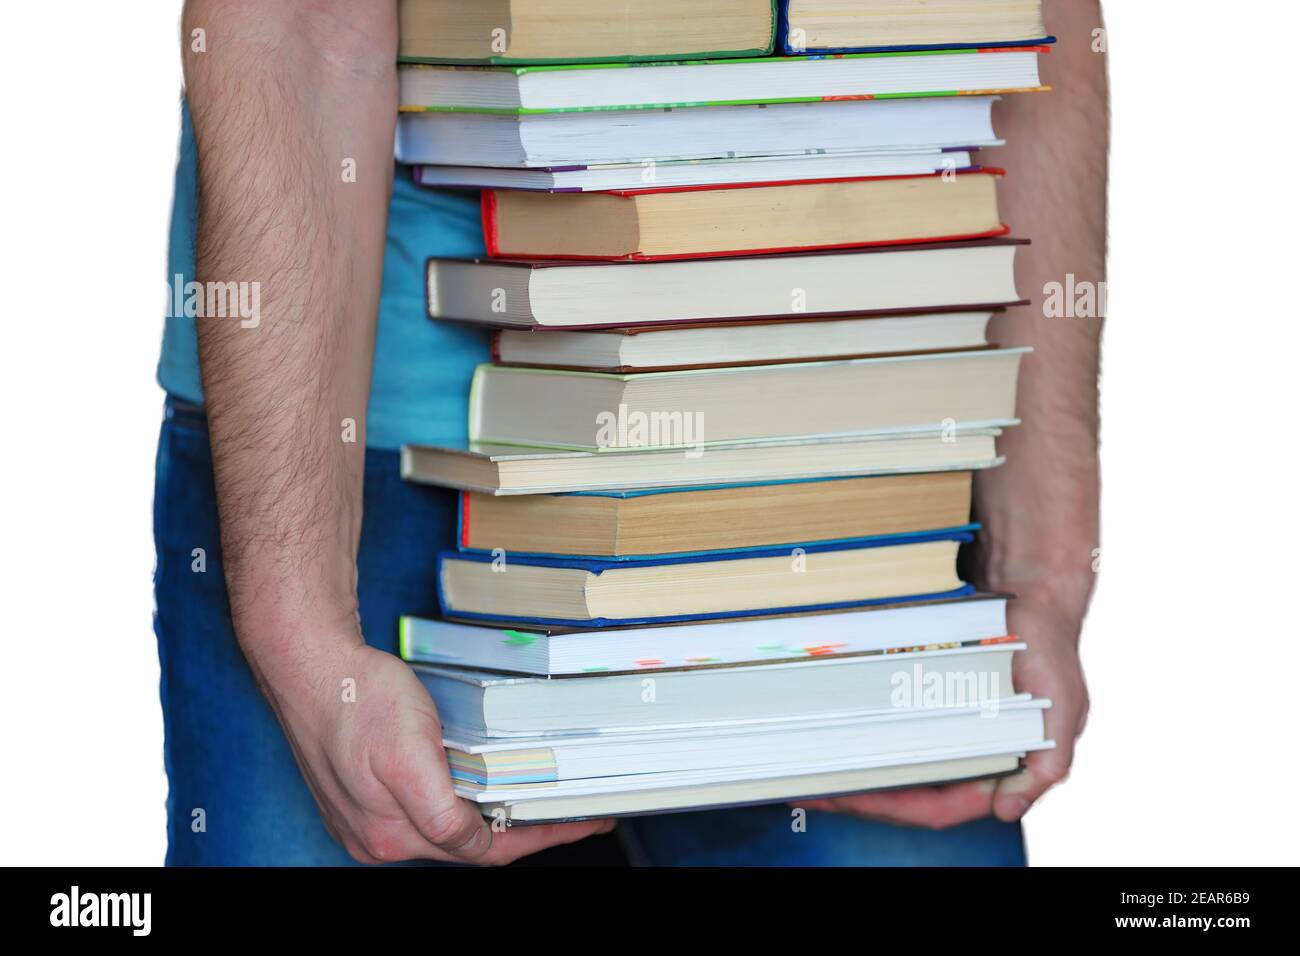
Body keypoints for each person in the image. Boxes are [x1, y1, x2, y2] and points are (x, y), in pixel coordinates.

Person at [154, 1, 1106, 865]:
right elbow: (302, 19)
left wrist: (1042, 577)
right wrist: (301, 633)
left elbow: (1029, 17)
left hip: (849, 476)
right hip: (363, 474)